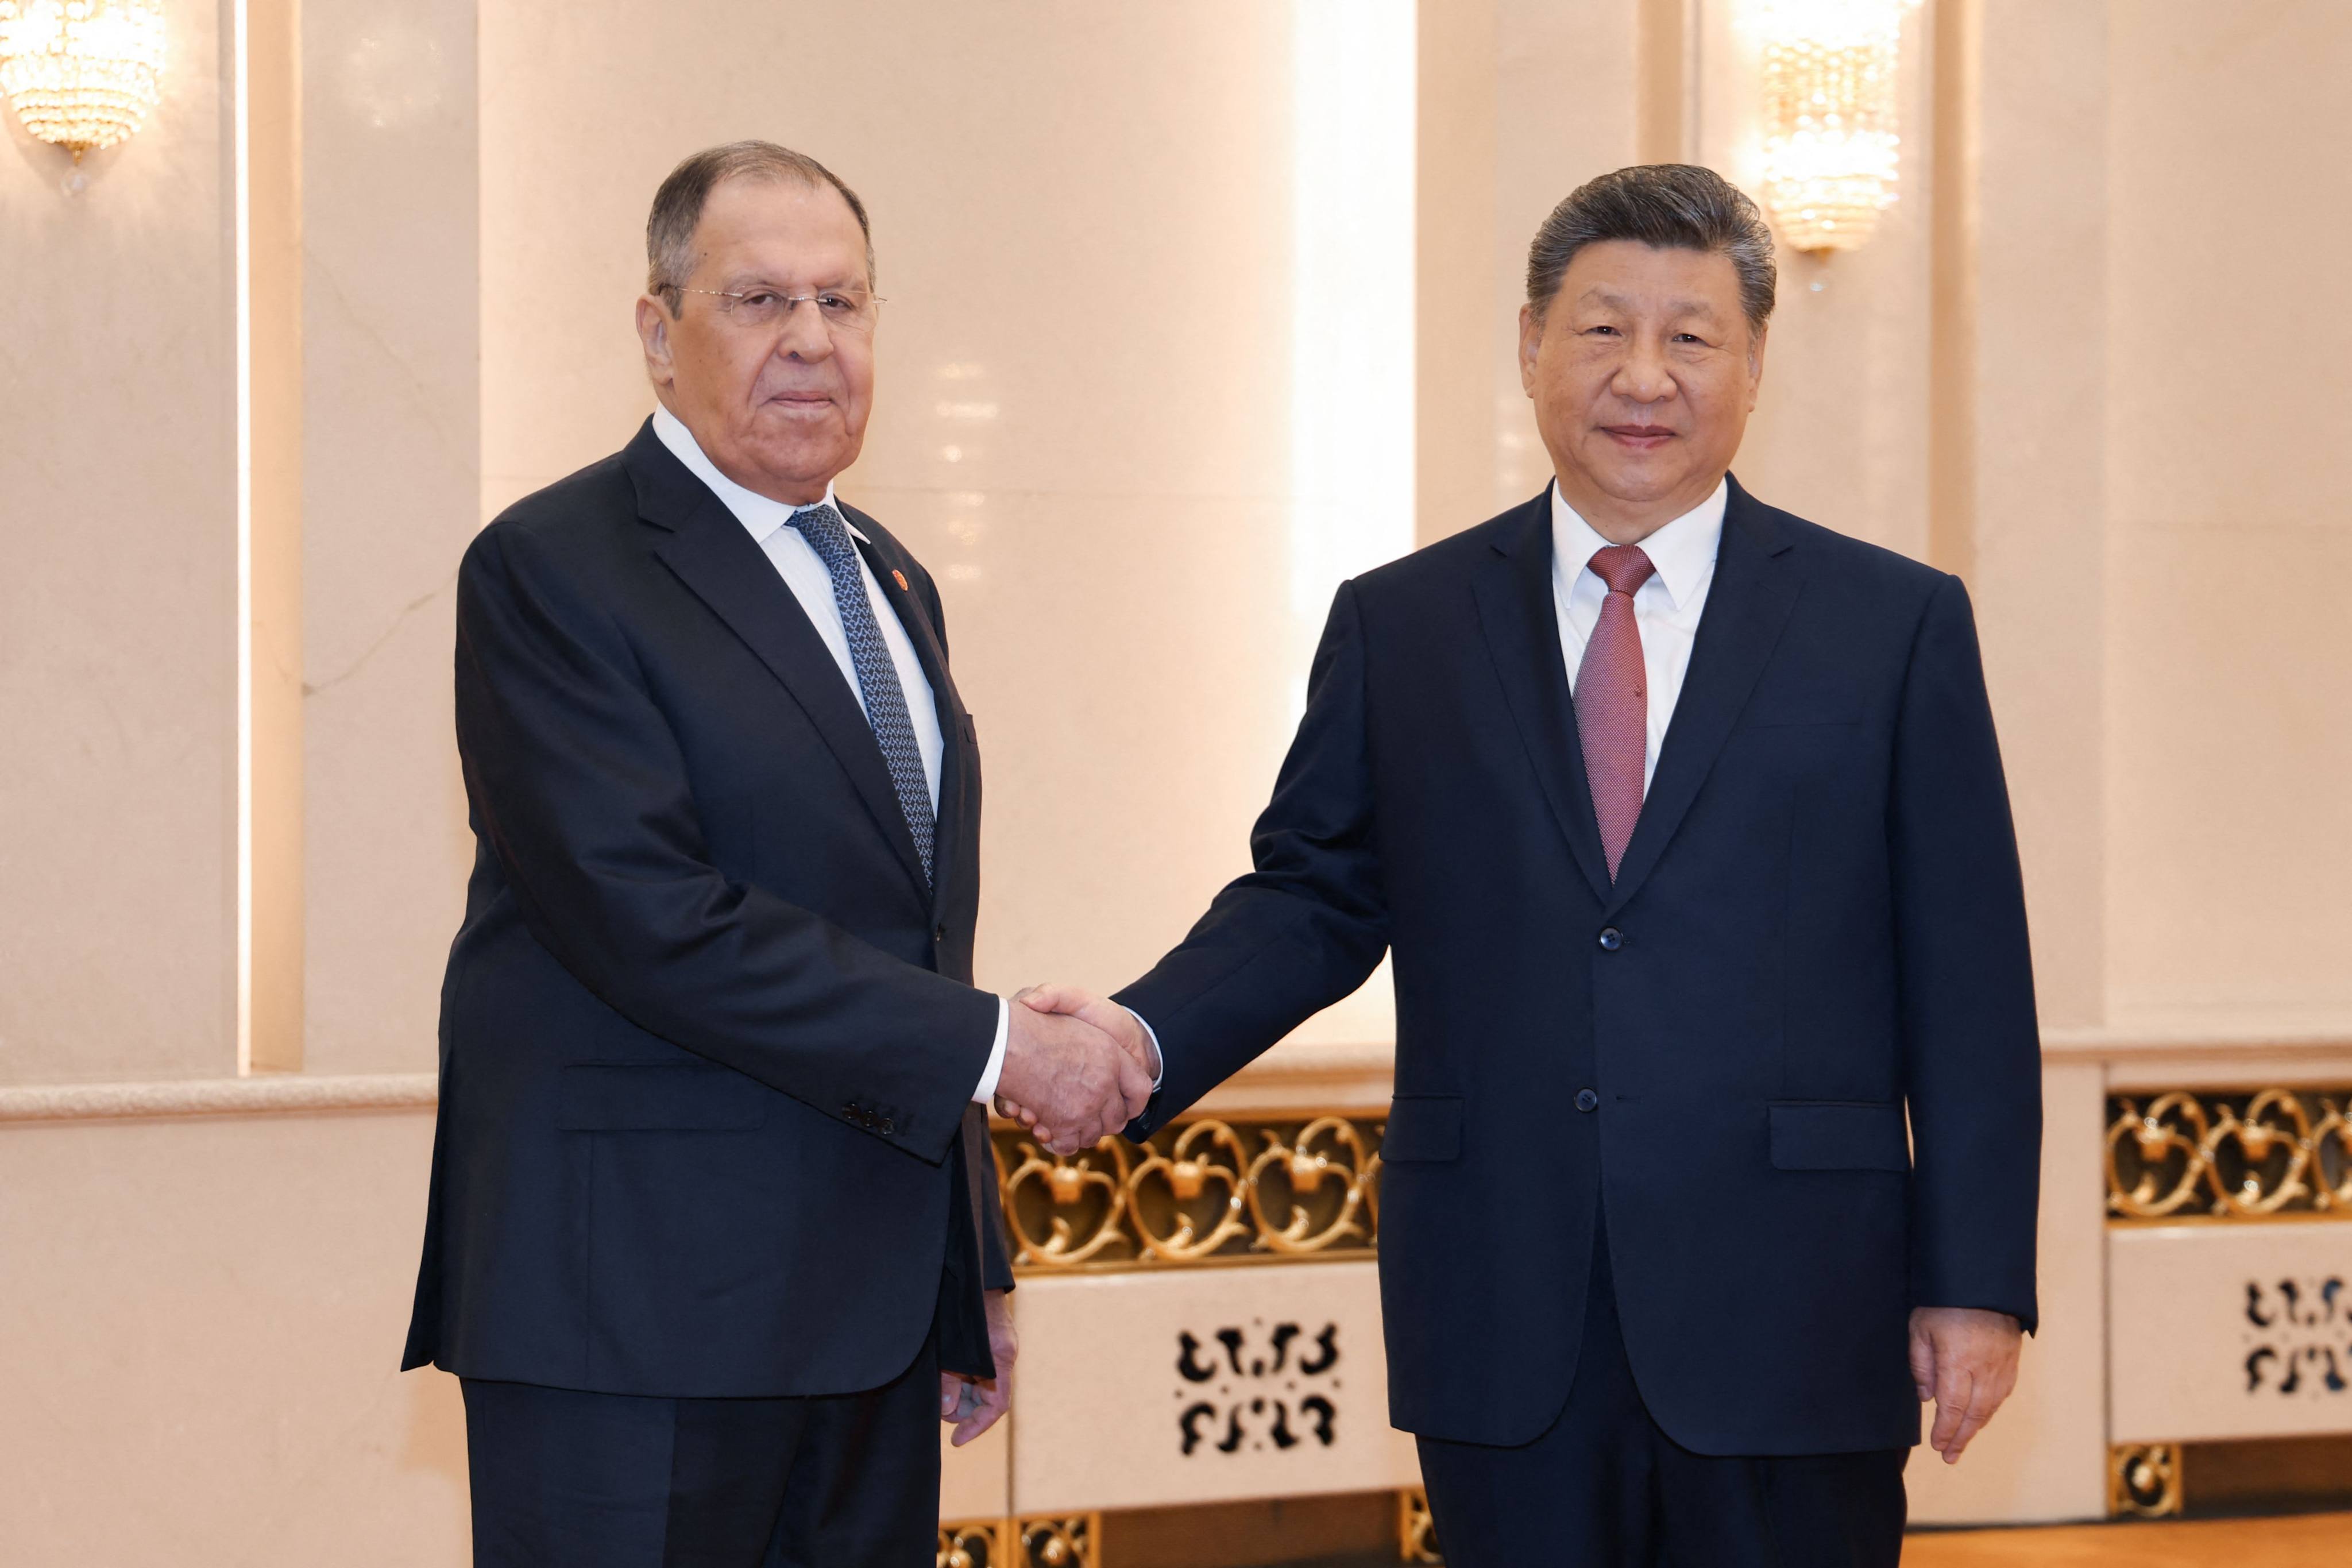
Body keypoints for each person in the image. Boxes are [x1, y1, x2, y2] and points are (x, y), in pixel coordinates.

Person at [1009, 164, 2042, 1567]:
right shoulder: (1404, 626)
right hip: (1504, 1298)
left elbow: (1968, 978)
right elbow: (1311, 897)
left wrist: (1974, 1285)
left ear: (1752, 366)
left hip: (1794, 1305)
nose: (1643, 375)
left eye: (1690, 337)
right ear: (1527, 347)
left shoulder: (1891, 624)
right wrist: (1137, 1034)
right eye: (1601, 328)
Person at [400, 140, 1150, 1567]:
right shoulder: (554, 566)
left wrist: (963, 1262)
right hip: (630, 1321)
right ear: (655, 333)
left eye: (843, 302)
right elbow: (649, 917)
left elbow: (915, 941)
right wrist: (1003, 1053)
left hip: (861, 1324)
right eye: (757, 301)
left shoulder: (888, 575)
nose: (811, 340)